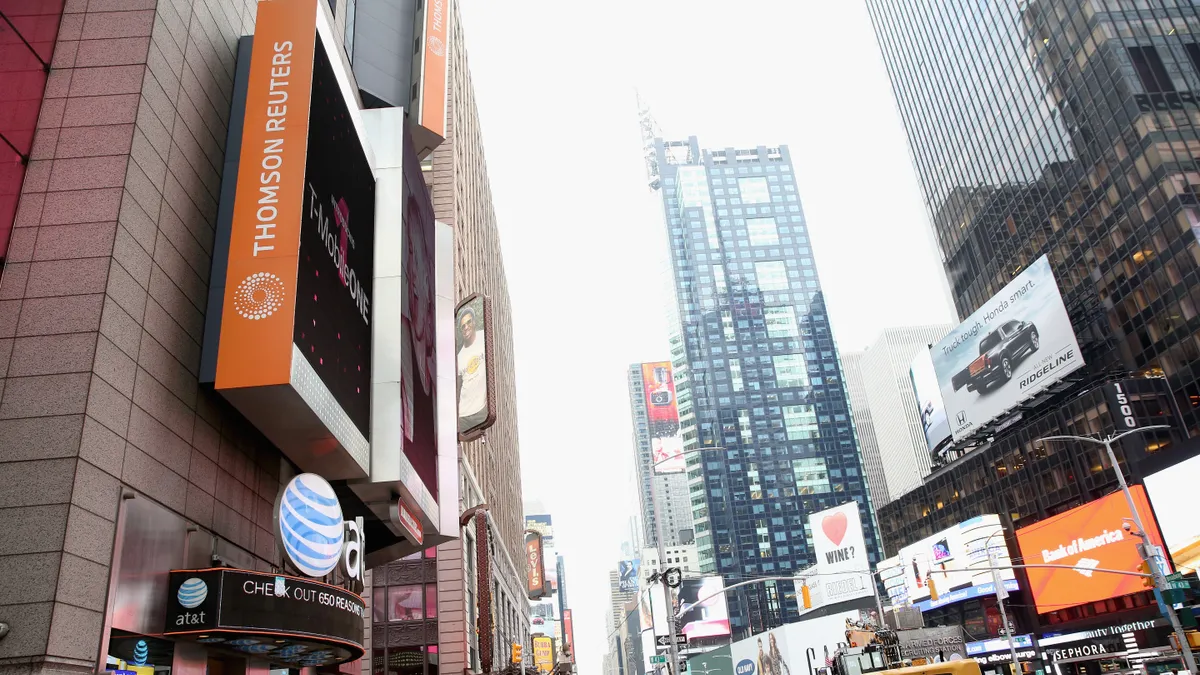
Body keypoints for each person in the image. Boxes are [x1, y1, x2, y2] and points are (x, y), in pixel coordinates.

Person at [457, 304, 488, 433]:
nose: (466, 327)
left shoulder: (484, 338)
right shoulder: (459, 357)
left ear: (474, 322)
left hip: (483, 409)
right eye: (463, 326)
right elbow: (458, 388)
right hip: (464, 414)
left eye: (468, 322)